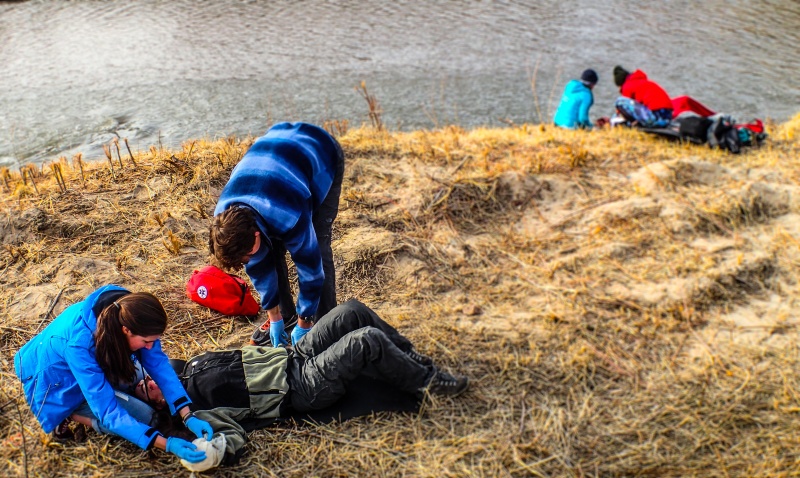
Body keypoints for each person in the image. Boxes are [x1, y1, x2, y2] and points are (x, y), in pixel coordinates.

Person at [133, 299, 469, 467]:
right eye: (147, 390)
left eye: (146, 380)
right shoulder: (197, 414)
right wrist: (209, 451)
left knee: (351, 310)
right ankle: (429, 384)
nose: (149, 382)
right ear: (159, 404)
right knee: (365, 340)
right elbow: (232, 438)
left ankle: (412, 359)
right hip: (301, 386)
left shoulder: (186, 368)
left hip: (293, 354)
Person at [14, 285, 214, 464]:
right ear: (126, 330)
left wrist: (187, 415)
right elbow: (108, 412)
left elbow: (158, 363)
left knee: (136, 379)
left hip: (91, 362)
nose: (151, 346)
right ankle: (68, 413)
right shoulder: (79, 345)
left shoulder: (129, 311)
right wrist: (166, 444)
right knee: (144, 416)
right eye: (146, 342)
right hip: (57, 383)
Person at [210, 121, 345, 349]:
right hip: (274, 154)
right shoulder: (223, 217)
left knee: (318, 247)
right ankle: (287, 316)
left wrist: (306, 322)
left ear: (255, 234)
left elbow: (310, 271)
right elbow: (259, 266)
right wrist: (274, 317)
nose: (247, 263)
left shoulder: (287, 213)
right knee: (267, 253)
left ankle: (325, 325)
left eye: (246, 256)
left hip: (320, 150)